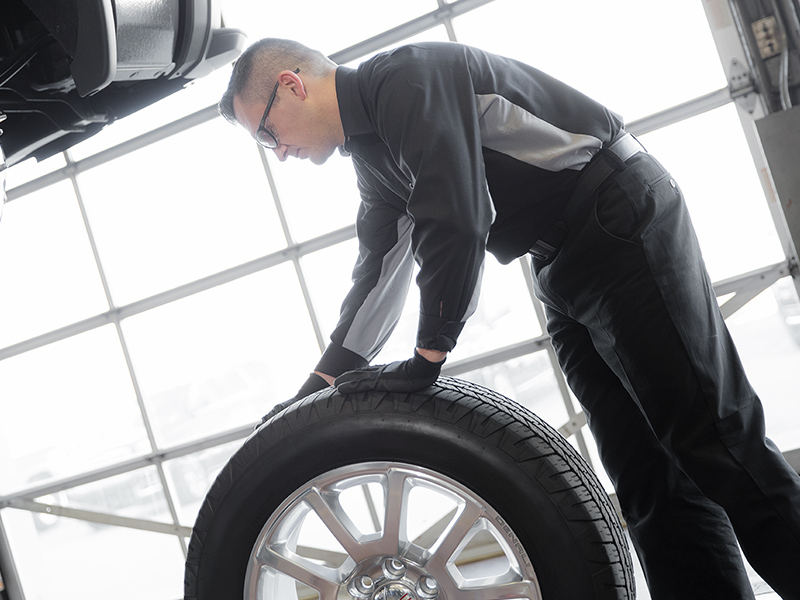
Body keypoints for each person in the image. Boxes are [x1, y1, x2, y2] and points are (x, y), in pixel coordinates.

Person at [219, 38, 800, 599]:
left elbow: (459, 213)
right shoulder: (373, 155)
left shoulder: (407, 79)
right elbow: (377, 275)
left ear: (292, 86)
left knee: (713, 440)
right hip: (560, 260)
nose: (279, 153)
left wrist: (430, 354)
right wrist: (313, 394)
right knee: (646, 475)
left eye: (268, 134)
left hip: (616, 215)